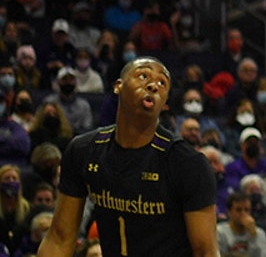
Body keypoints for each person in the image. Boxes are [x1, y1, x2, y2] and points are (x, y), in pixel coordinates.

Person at [39, 56, 219, 257]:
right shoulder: (84, 150)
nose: (153, 85)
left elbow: (206, 252)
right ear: (118, 86)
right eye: (143, 76)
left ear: (165, 102)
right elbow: (59, 238)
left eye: (162, 83)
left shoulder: (187, 162)